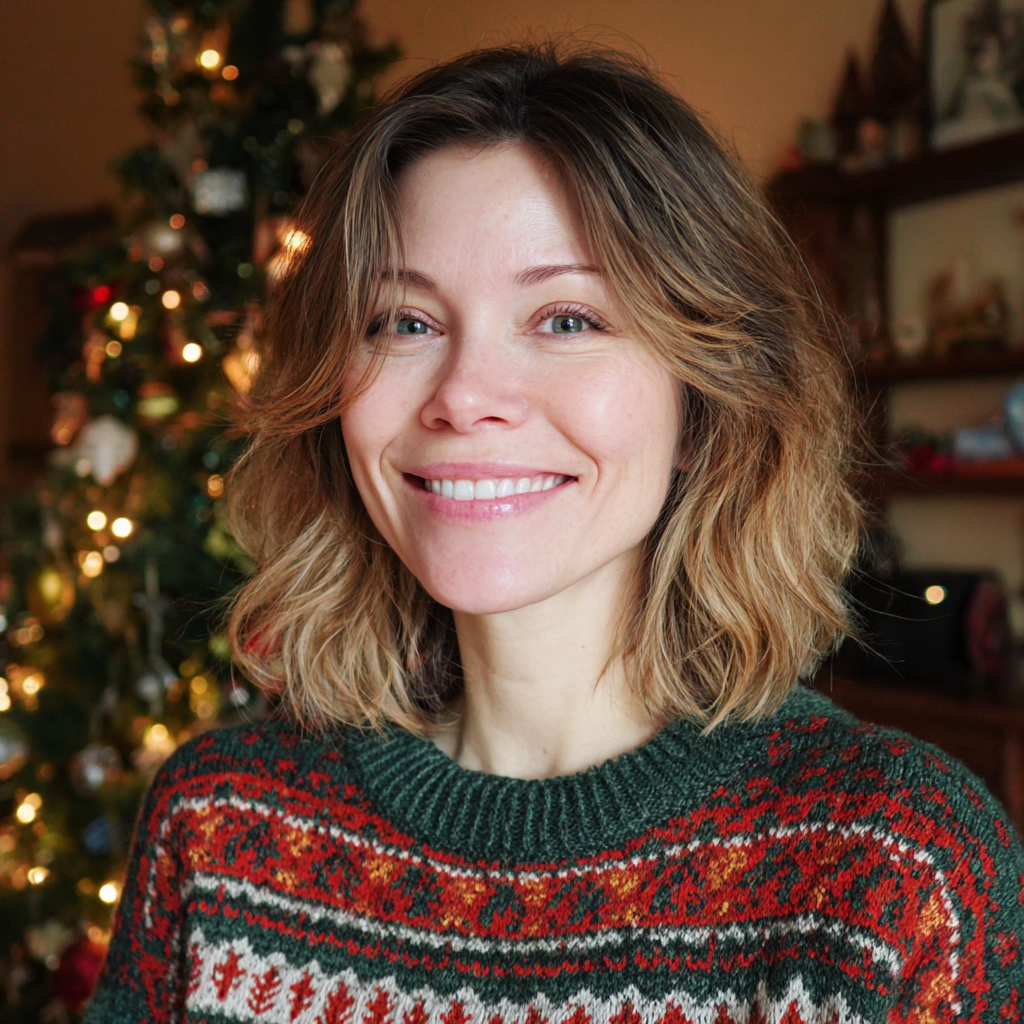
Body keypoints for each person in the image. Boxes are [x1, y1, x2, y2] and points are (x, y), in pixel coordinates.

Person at [84, 44, 1024, 1023]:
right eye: (403, 321)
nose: (462, 397)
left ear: (704, 396)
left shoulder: (894, 867)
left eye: (566, 318)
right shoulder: (220, 825)